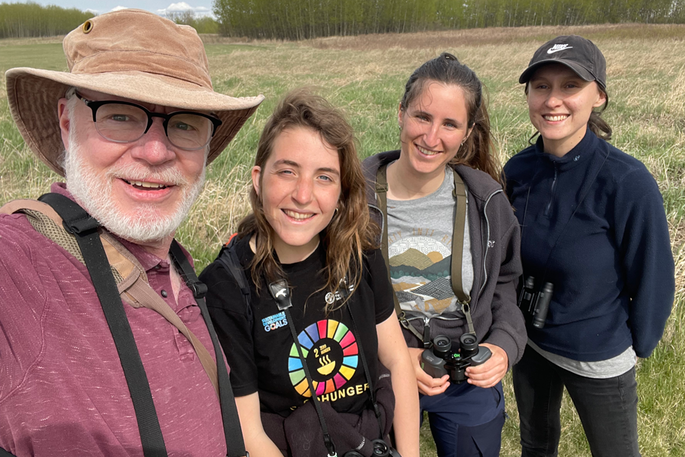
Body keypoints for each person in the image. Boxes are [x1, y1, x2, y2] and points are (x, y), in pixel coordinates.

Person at [0, 9, 264, 456]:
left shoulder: (180, 265)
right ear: (67, 123)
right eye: (119, 115)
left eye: (184, 123)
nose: (156, 151)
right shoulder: (23, 265)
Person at [200, 89, 420, 457]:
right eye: (287, 172)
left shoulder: (362, 254)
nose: (303, 195)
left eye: (324, 178)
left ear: (342, 192)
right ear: (258, 178)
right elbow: (249, 432)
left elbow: (397, 361)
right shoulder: (226, 286)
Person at [504, 35, 675, 457]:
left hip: (597, 353)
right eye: (541, 86)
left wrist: (635, 344)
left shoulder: (627, 181)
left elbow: (653, 273)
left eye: (569, 86)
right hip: (531, 343)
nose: (553, 100)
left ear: (597, 95)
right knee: (536, 444)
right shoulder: (518, 170)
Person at [363, 53, 526, 457]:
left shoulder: (486, 201)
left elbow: (505, 283)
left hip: (466, 377)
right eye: (422, 117)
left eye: (450, 124)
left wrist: (503, 345)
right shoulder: (351, 199)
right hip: (376, 376)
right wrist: (399, 359)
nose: (432, 137)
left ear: (467, 132)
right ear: (400, 113)